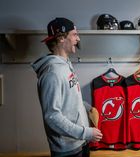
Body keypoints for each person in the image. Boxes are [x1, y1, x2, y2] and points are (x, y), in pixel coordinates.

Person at [31, 17, 103, 157]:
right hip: (67, 149)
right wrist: (86, 133)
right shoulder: (52, 72)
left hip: (80, 142)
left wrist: (86, 107)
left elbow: (68, 98)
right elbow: (52, 116)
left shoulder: (65, 64)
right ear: (61, 38)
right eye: (75, 34)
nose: (78, 39)